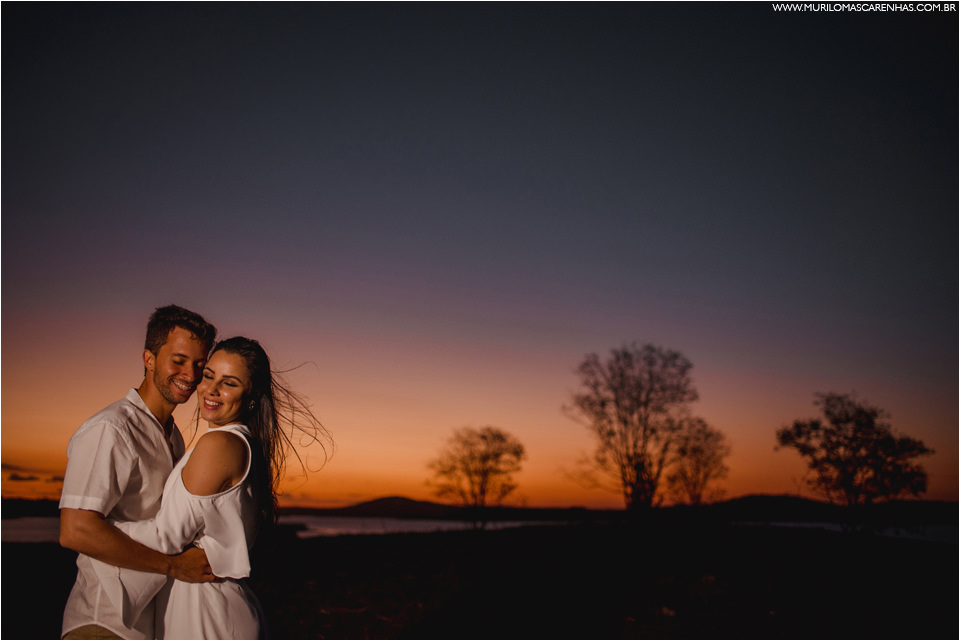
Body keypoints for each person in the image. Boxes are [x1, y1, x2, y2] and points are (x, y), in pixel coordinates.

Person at [96, 336, 330, 639]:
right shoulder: (241, 443)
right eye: (208, 376)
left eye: (229, 383)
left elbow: (165, 537)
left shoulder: (219, 444)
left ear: (252, 395)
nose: (211, 389)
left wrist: (98, 530)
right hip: (207, 606)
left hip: (208, 613)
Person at [59, 305, 219, 640]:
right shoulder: (111, 428)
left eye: (199, 364)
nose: (190, 374)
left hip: (147, 624)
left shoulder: (172, 436)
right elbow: (75, 530)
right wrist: (174, 565)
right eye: (178, 360)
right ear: (149, 359)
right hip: (103, 622)